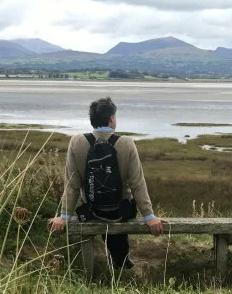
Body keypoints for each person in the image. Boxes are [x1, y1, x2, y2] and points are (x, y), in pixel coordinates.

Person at [48, 96, 166, 269]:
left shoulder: (77, 142)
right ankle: (121, 262)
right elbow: (137, 183)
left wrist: (64, 215)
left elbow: (72, 184)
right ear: (111, 119)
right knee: (119, 219)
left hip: (92, 210)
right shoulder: (126, 143)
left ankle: (112, 263)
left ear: (92, 119)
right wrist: (149, 216)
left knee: (100, 218)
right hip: (122, 211)